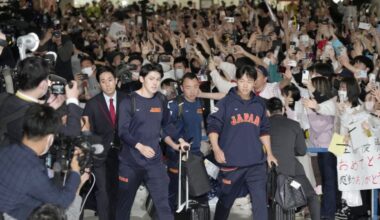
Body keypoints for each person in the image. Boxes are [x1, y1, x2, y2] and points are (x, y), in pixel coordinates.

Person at [117, 63, 187, 220]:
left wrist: (180, 140)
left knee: (163, 205)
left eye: (158, 79)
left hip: (154, 163)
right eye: (151, 79)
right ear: (142, 79)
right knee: (123, 207)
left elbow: (167, 124)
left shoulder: (160, 99)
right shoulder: (128, 101)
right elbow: (122, 131)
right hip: (130, 163)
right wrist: (139, 146)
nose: (155, 82)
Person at [207, 65, 278, 220]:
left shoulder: (259, 104)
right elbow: (213, 126)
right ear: (236, 82)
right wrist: (217, 149)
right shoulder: (225, 103)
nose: (245, 85)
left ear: (254, 83)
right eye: (242, 80)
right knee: (226, 200)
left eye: (249, 81)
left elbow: (264, 130)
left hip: (256, 163)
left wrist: (270, 154)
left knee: (260, 202)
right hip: (232, 163)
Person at [0, 104, 85, 219]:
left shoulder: (6, 151)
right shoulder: (33, 171)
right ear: (50, 138)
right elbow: (63, 202)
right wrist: (75, 172)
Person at [0, 56, 81, 146]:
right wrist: (73, 100)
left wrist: (48, 108)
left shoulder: (3, 97)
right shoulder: (34, 119)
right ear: (42, 85)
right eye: (47, 79)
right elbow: (72, 134)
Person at [83, 66, 127, 220]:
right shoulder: (92, 104)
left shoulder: (126, 99)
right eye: (103, 81)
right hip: (101, 155)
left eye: (110, 80)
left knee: (119, 190)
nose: (107, 84)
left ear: (116, 80)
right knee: (102, 191)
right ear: (99, 84)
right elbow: (86, 133)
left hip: (123, 153)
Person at [267, 97, 321, 220]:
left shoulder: (262, 126)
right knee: (312, 196)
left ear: (267, 112)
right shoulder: (294, 125)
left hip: (269, 174)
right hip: (293, 175)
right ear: (282, 109)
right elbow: (302, 151)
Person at [164, 72, 209, 211]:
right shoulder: (174, 105)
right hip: (176, 154)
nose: (192, 91)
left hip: (195, 154)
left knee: (199, 192)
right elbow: (165, 128)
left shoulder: (200, 102)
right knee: (175, 191)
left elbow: (202, 125)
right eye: (188, 87)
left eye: (195, 87)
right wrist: (176, 144)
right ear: (182, 88)